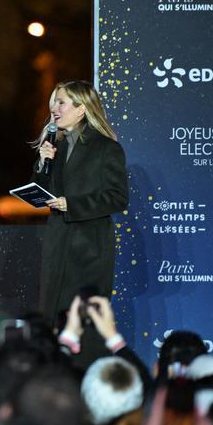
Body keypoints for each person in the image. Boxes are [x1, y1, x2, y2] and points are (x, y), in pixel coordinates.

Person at [30, 80, 128, 326]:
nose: (55, 109)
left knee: (84, 321)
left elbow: (118, 198)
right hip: (57, 244)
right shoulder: (55, 146)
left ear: (81, 108)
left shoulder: (106, 148)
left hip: (88, 250)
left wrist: (71, 204)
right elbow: (41, 194)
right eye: (54, 103)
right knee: (52, 320)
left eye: (61, 103)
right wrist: (43, 163)